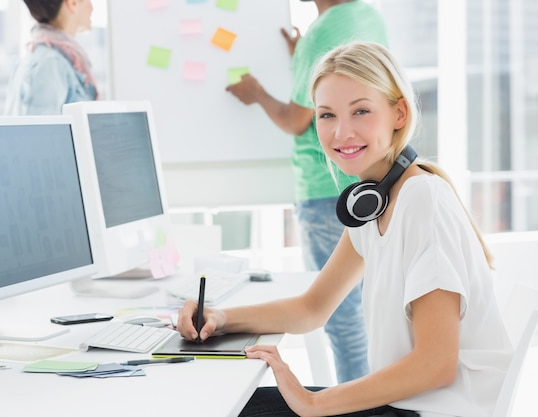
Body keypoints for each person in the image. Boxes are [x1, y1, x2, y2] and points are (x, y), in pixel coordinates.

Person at [179, 41, 514, 417]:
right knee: (225, 400)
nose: (341, 133)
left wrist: (314, 402)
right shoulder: (374, 201)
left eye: (361, 112)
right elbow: (312, 309)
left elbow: (435, 363)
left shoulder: (421, 200)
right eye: (327, 116)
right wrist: (221, 318)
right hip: (407, 404)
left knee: (218, 407)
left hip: (432, 410)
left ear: (399, 113)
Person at [225, 0, 389, 384]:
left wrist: (257, 93)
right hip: (362, 187)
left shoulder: (323, 32)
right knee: (359, 316)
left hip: (325, 190)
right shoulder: (367, 17)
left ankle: (355, 406)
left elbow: (297, 120)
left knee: (342, 321)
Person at [4, 0, 98, 115]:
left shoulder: (54, 58)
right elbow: (41, 131)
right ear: (72, 3)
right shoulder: (50, 63)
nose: (92, 7)